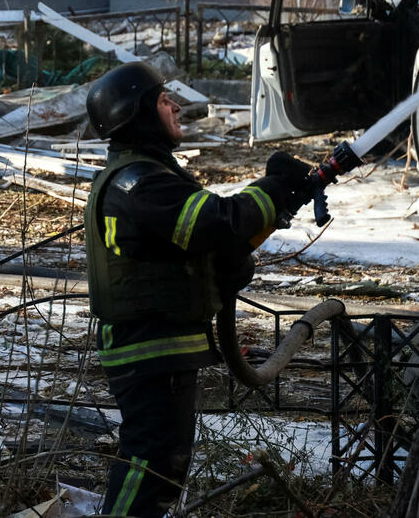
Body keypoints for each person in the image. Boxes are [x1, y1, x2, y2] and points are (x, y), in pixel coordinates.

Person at [84, 62, 313, 517]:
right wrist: (270, 190)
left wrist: (234, 256)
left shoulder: (151, 175)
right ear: (137, 113)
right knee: (150, 464)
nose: (175, 106)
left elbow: (203, 241)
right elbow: (213, 222)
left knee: (161, 465)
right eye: (162, 99)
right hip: (148, 347)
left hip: (157, 346)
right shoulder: (138, 183)